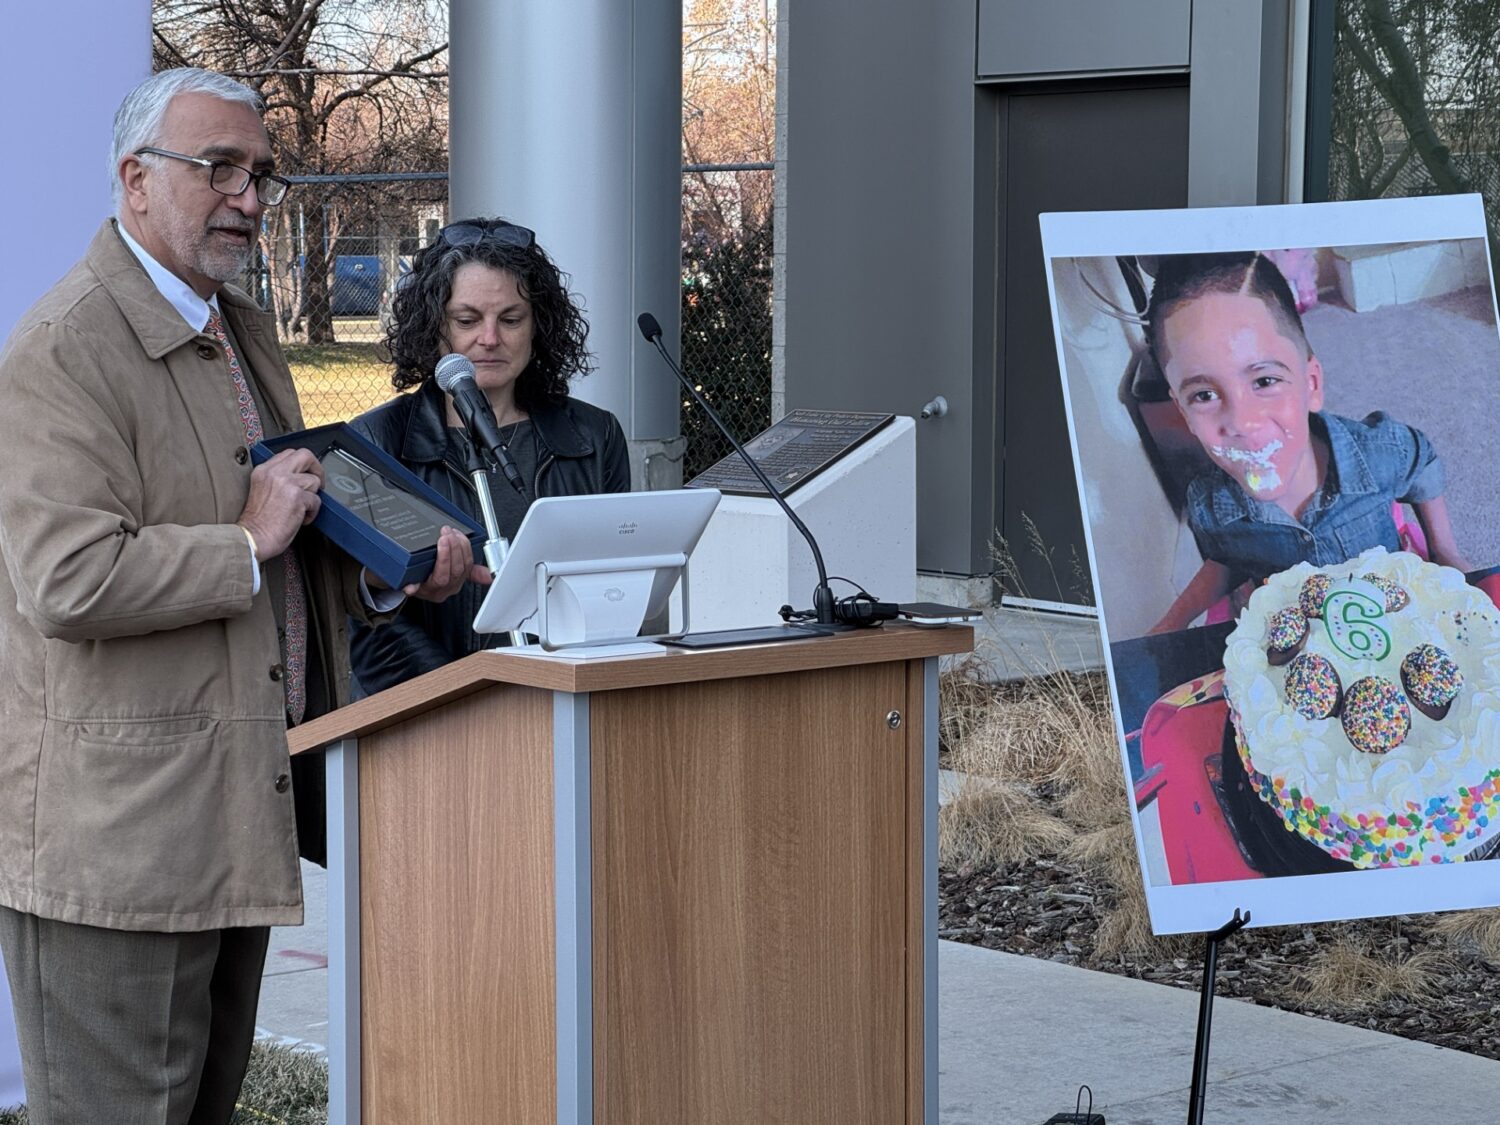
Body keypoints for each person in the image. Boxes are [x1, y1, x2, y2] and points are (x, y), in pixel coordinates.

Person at [0, 68, 482, 1123]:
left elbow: (291, 530)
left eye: (260, 172)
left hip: (234, 814)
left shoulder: (244, 329)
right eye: (217, 168)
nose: (250, 197)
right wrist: (244, 536)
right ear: (134, 180)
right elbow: (66, 579)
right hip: (116, 848)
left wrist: (390, 569)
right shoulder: (61, 351)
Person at [349, 217, 632, 694]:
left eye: (510, 318)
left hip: (567, 705)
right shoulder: (378, 443)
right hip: (435, 722)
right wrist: (477, 697)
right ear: (434, 325)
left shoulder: (592, 435)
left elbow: (617, 589)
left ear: (538, 326)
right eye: (467, 320)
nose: (490, 338)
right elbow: (368, 628)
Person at [1146, 251, 1473, 634]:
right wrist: (1174, 620)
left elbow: (1423, 462)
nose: (1242, 423)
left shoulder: (1378, 452)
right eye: (1203, 395)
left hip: (1390, 612)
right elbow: (1229, 555)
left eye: (1264, 381)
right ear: (1183, 411)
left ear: (1312, 384)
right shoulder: (1210, 507)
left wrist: (1444, 549)